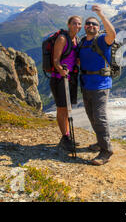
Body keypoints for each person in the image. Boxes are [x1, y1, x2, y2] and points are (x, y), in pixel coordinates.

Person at [79, 5, 116, 165]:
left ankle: (106, 151)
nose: (91, 26)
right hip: (86, 84)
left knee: (99, 118)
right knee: (91, 116)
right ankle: (100, 143)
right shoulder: (82, 42)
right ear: (85, 27)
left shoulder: (101, 40)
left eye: (94, 24)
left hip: (100, 85)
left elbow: (112, 34)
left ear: (98, 27)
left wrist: (100, 14)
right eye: (88, 23)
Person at [50, 15, 82, 152]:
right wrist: (60, 70)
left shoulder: (76, 40)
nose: (77, 26)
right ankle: (65, 137)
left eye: (79, 24)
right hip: (59, 78)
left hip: (71, 78)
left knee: (67, 108)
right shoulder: (62, 39)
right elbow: (55, 60)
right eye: (74, 23)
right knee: (62, 108)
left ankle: (67, 136)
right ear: (69, 24)